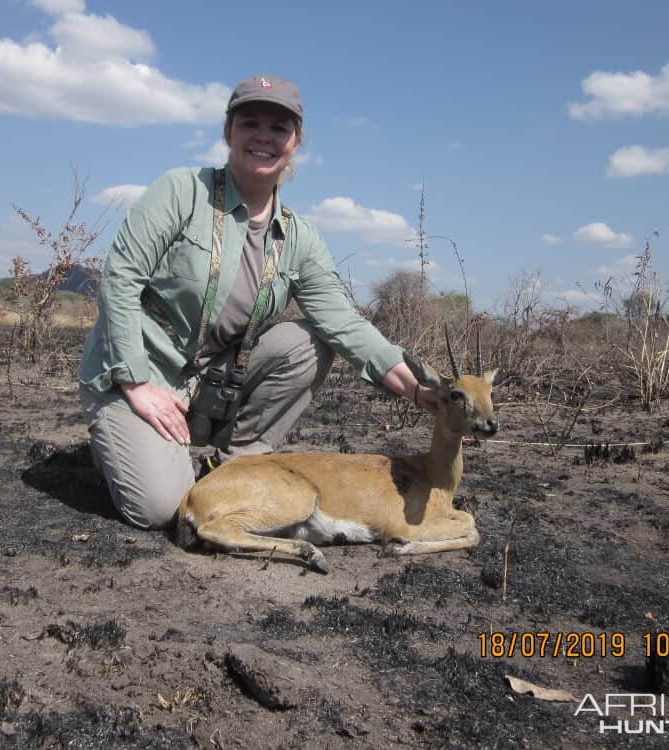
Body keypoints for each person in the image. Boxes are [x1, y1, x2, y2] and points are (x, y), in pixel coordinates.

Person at [78, 74, 438, 529]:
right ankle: (119, 441)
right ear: (228, 131)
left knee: (307, 341)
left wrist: (419, 387)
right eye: (250, 123)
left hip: (209, 380)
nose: (264, 136)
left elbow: (344, 324)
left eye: (279, 128)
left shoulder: (299, 237)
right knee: (160, 511)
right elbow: (120, 280)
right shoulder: (180, 191)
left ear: (297, 141)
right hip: (137, 375)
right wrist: (137, 385)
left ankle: (233, 469)